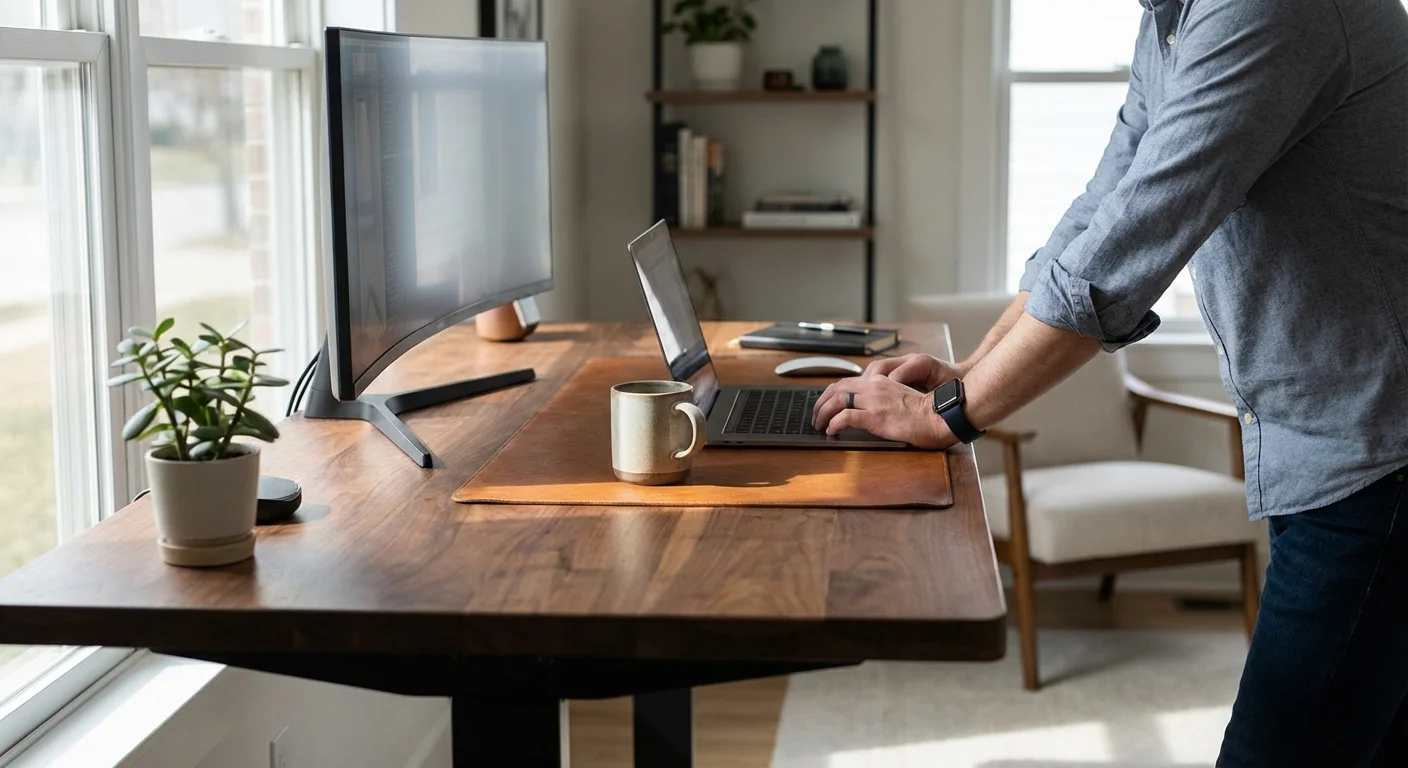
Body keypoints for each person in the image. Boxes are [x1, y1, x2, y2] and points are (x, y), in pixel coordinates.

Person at [812, 0, 1408, 764]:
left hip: (1378, 455)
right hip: (1334, 446)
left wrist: (948, 416)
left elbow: (1131, 247)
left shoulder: (1267, 10)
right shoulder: (1174, 19)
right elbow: (1100, 211)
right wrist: (965, 374)